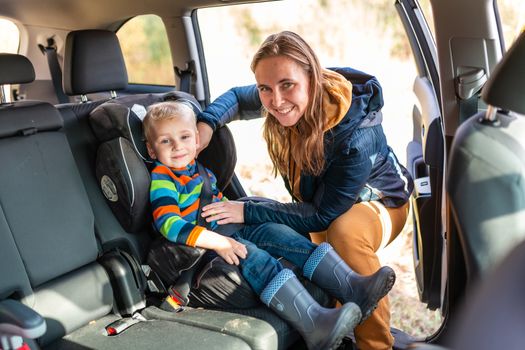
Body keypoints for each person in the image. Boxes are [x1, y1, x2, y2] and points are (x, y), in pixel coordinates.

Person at [197, 31, 414, 350]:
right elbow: (234, 98)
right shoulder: (278, 96)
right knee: (284, 235)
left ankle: (375, 345)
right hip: (324, 204)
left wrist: (247, 209)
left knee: (343, 233)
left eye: (287, 85)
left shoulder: (357, 136)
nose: (276, 101)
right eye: (265, 89)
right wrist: (206, 124)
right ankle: (335, 332)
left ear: (312, 76)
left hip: (381, 202)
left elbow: (323, 214)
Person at [143, 100, 396, 350]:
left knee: (283, 235)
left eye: (185, 137)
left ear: (197, 140)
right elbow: (170, 224)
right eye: (166, 141)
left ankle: (351, 286)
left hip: (228, 227)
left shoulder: (200, 171)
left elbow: (216, 203)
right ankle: (315, 325)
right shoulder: (163, 178)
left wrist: (238, 213)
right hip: (206, 245)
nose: (178, 146)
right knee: (257, 259)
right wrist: (219, 241)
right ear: (152, 151)